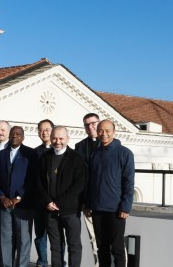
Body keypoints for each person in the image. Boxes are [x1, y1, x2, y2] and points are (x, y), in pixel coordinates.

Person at [85, 120, 134, 267]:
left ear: (114, 131)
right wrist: (88, 204)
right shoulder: (94, 154)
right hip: (97, 208)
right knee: (101, 247)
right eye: (100, 131)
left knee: (117, 248)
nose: (104, 134)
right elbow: (90, 182)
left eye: (107, 130)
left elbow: (129, 182)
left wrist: (125, 206)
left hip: (116, 209)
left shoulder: (125, 153)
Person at [37, 126, 85, 267]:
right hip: (50, 210)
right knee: (55, 246)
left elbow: (79, 185)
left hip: (70, 210)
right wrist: (47, 201)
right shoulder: (45, 157)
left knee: (74, 245)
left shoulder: (77, 158)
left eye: (61, 138)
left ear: (67, 139)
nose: (57, 141)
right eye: (55, 138)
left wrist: (59, 203)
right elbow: (38, 182)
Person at [0, 126, 38, 267]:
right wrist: (1, 196)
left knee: (24, 239)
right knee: (5, 238)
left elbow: (32, 178)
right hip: (4, 204)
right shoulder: (0, 155)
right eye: (13, 133)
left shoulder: (31, 154)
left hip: (23, 205)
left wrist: (19, 197)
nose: (15, 136)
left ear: (23, 137)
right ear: (9, 135)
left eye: (18, 134)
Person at [75, 112, 100, 265]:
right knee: (94, 240)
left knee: (113, 241)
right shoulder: (80, 147)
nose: (90, 127)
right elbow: (79, 176)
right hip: (88, 203)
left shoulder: (111, 144)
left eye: (93, 123)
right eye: (87, 124)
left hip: (108, 202)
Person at [33, 119, 55, 267]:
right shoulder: (34, 153)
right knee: (40, 235)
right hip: (39, 201)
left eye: (47, 129)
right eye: (41, 130)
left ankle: (59, 262)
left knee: (57, 236)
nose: (44, 132)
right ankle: (42, 262)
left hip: (55, 202)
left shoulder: (60, 150)